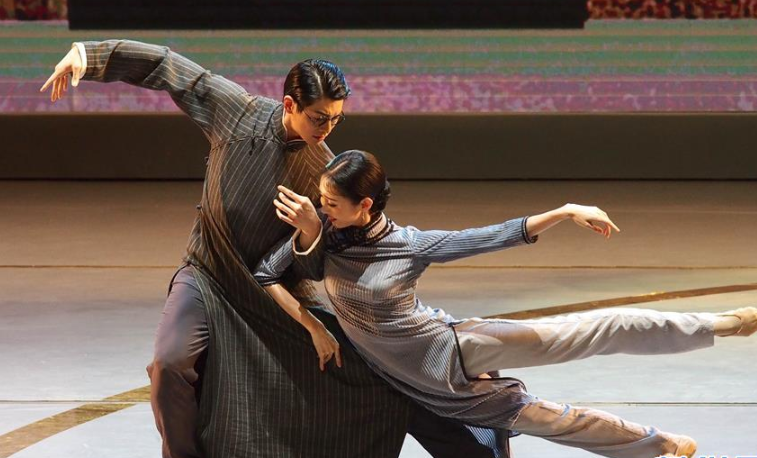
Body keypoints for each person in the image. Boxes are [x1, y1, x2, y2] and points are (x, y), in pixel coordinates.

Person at [41, 41, 516, 458]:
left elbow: (326, 262)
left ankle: (473, 444)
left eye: (336, 118)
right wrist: (89, 56)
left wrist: (310, 233)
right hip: (208, 276)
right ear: (290, 103)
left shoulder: (325, 171)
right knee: (169, 364)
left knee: (378, 366)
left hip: (277, 293)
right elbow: (170, 68)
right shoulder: (237, 112)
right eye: (319, 117)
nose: (327, 128)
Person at [255, 149, 757, 458]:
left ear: (364, 205)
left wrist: (565, 210)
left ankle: (712, 324)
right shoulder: (320, 232)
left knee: (583, 331)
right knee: (556, 421)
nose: (321, 208)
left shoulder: (409, 245)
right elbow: (267, 273)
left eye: (331, 203)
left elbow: (488, 236)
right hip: (438, 390)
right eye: (321, 200)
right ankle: (666, 446)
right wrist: (315, 326)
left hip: (453, 344)